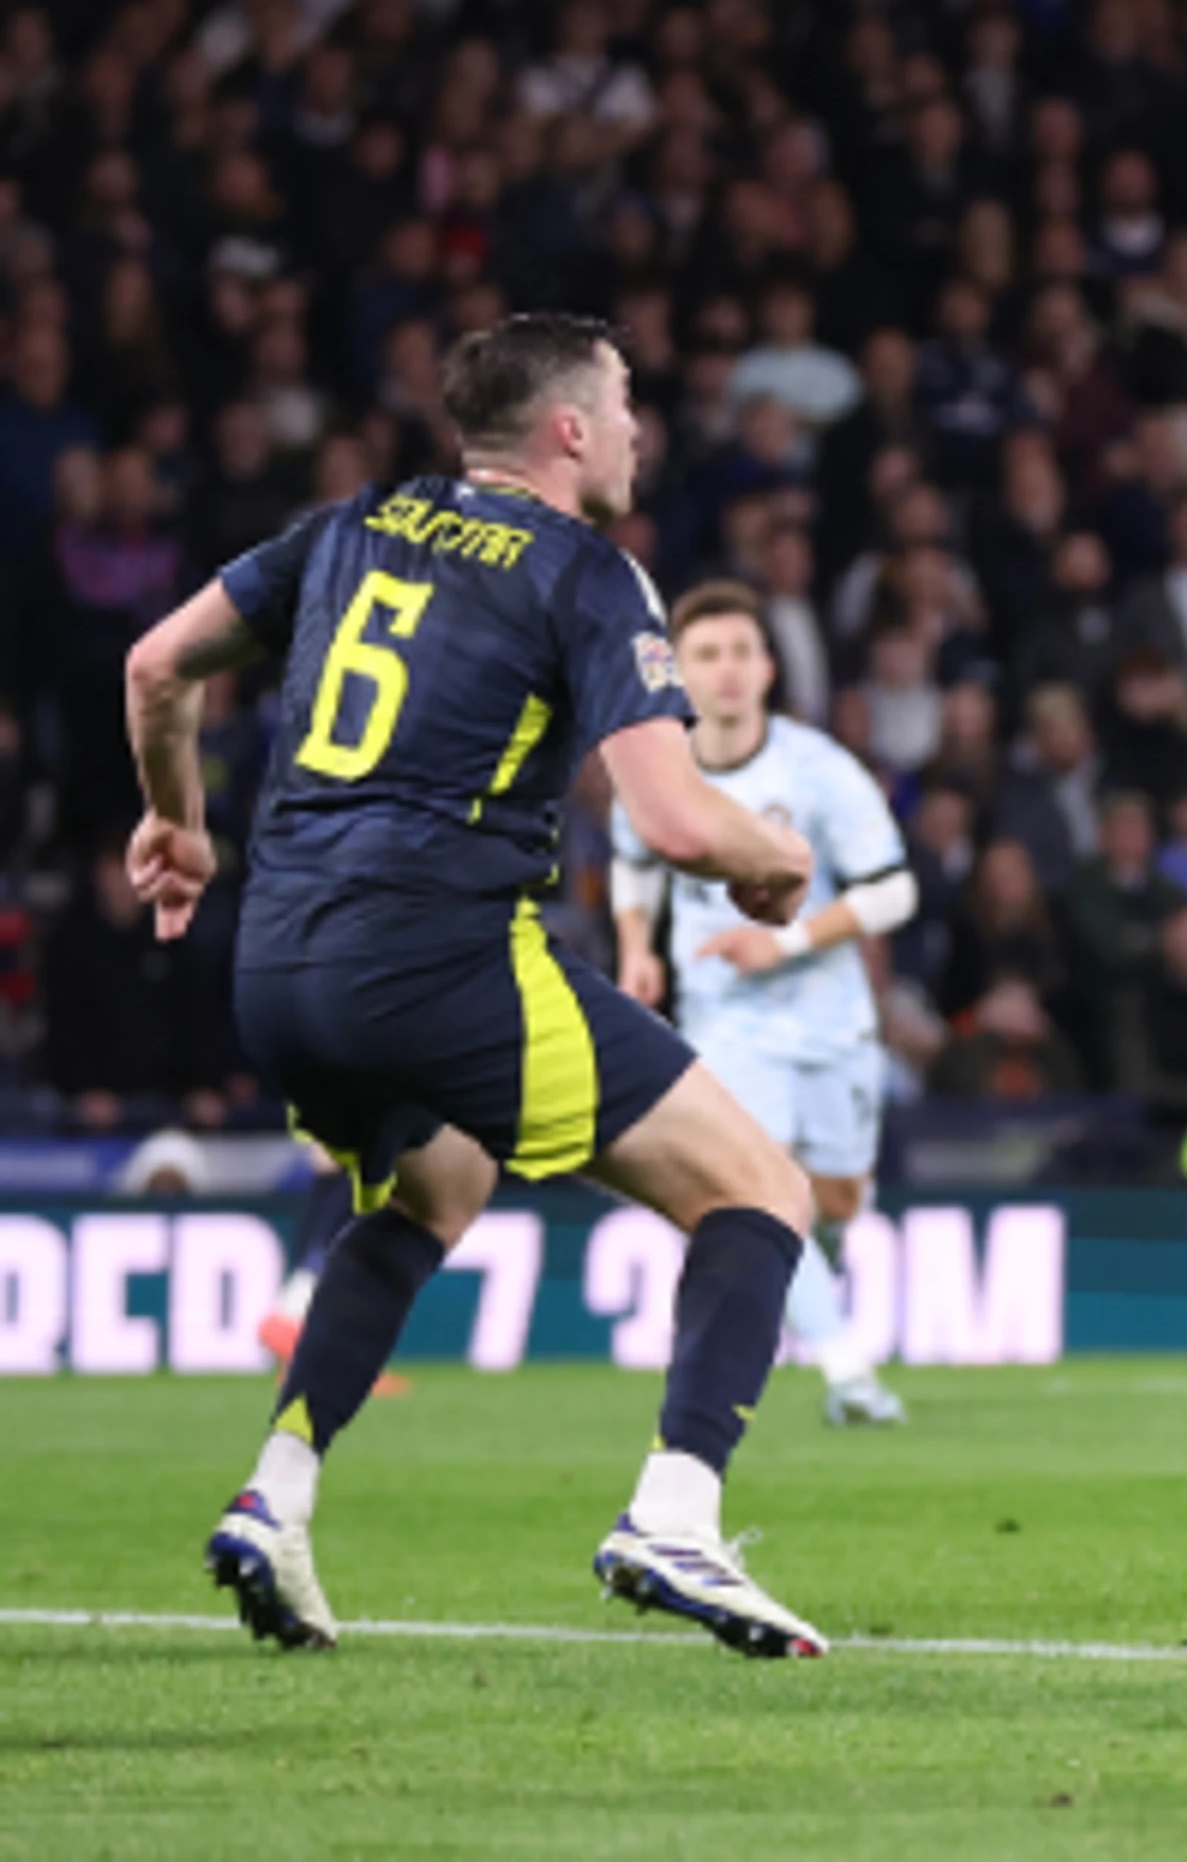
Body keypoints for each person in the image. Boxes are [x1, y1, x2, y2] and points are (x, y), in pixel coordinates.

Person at [125, 314, 831, 1657]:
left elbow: (156, 665)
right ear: (568, 429)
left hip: (276, 961)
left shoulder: (349, 526)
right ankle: (675, 1514)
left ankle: (275, 1495)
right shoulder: (589, 572)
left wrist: (179, 822)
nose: (637, 427)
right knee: (759, 1191)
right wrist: (774, 858)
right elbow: (678, 824)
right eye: (623, 401)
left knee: (434, 1187)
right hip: (435, 951)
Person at [609, 580, 918, 1430]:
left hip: (833, 1024)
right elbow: (633, 859)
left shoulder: (818, 769)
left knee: (838, 1202)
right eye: (708, 654)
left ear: (770, 667)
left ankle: (814, 1280)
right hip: (727, 1021)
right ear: (677, 669)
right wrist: (637, 948)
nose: (729, 671)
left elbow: (893, 894)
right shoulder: (655, 764)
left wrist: (780, 942)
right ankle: (850, 1372)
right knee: (763, 1186)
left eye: (743, 651)